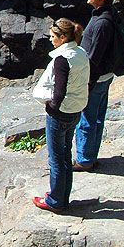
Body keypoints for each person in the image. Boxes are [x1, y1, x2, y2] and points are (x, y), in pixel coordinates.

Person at [32, 18, 90, 213]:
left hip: (60, 115)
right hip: (76, 110)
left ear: (63, 37)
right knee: (65, 156)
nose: (50, 39)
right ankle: (63, 197)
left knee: (57, 159)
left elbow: (58, 93)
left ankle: (56, 201)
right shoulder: (81, 53)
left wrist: (52, 105)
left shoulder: (62, 59)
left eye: (53, 36)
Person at [73, 0, 118, 171]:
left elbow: (94, 57)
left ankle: (84, 160)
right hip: (104, 76)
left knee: (86, 119)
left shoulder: (101, 24)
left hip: (96, 79)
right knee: (97, 117)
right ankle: (91, 155)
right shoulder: (107, 12)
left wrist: (85, 83)